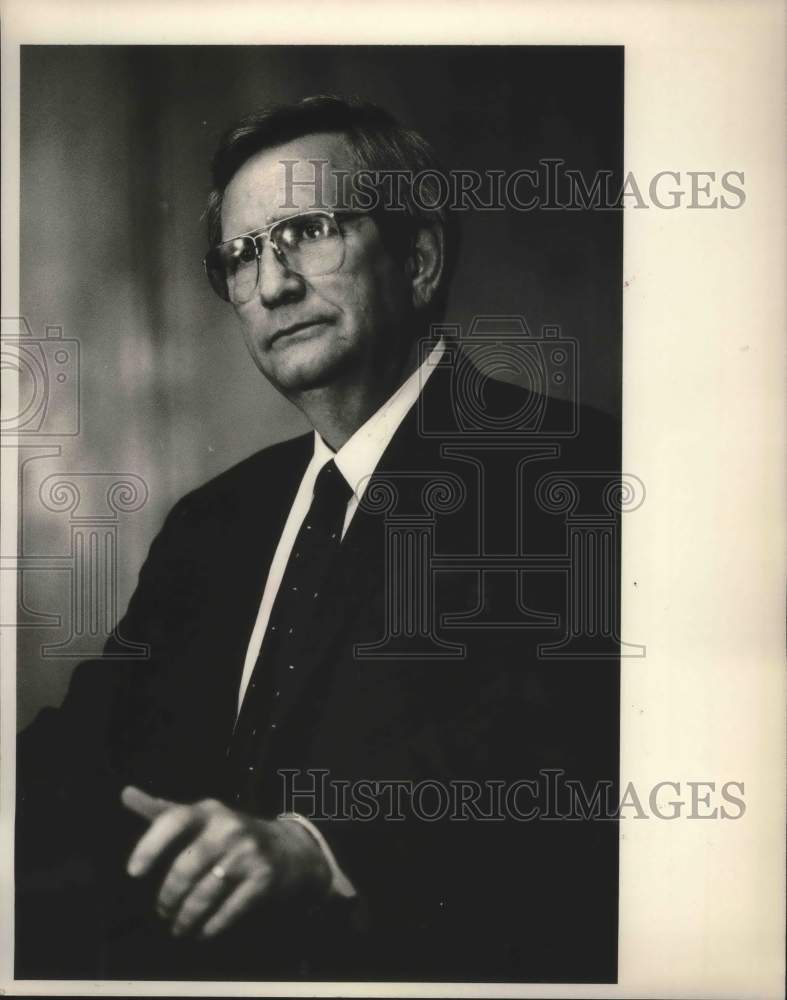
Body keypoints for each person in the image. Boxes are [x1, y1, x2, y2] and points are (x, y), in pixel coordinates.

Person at [16, 95, 620, 983]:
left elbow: (565, 758)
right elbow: (87, 754)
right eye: (242, 254)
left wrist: (317, 852)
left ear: (418, 259)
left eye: (310, 231)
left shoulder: (572, 472)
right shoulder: (213, 525)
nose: (271, 286)